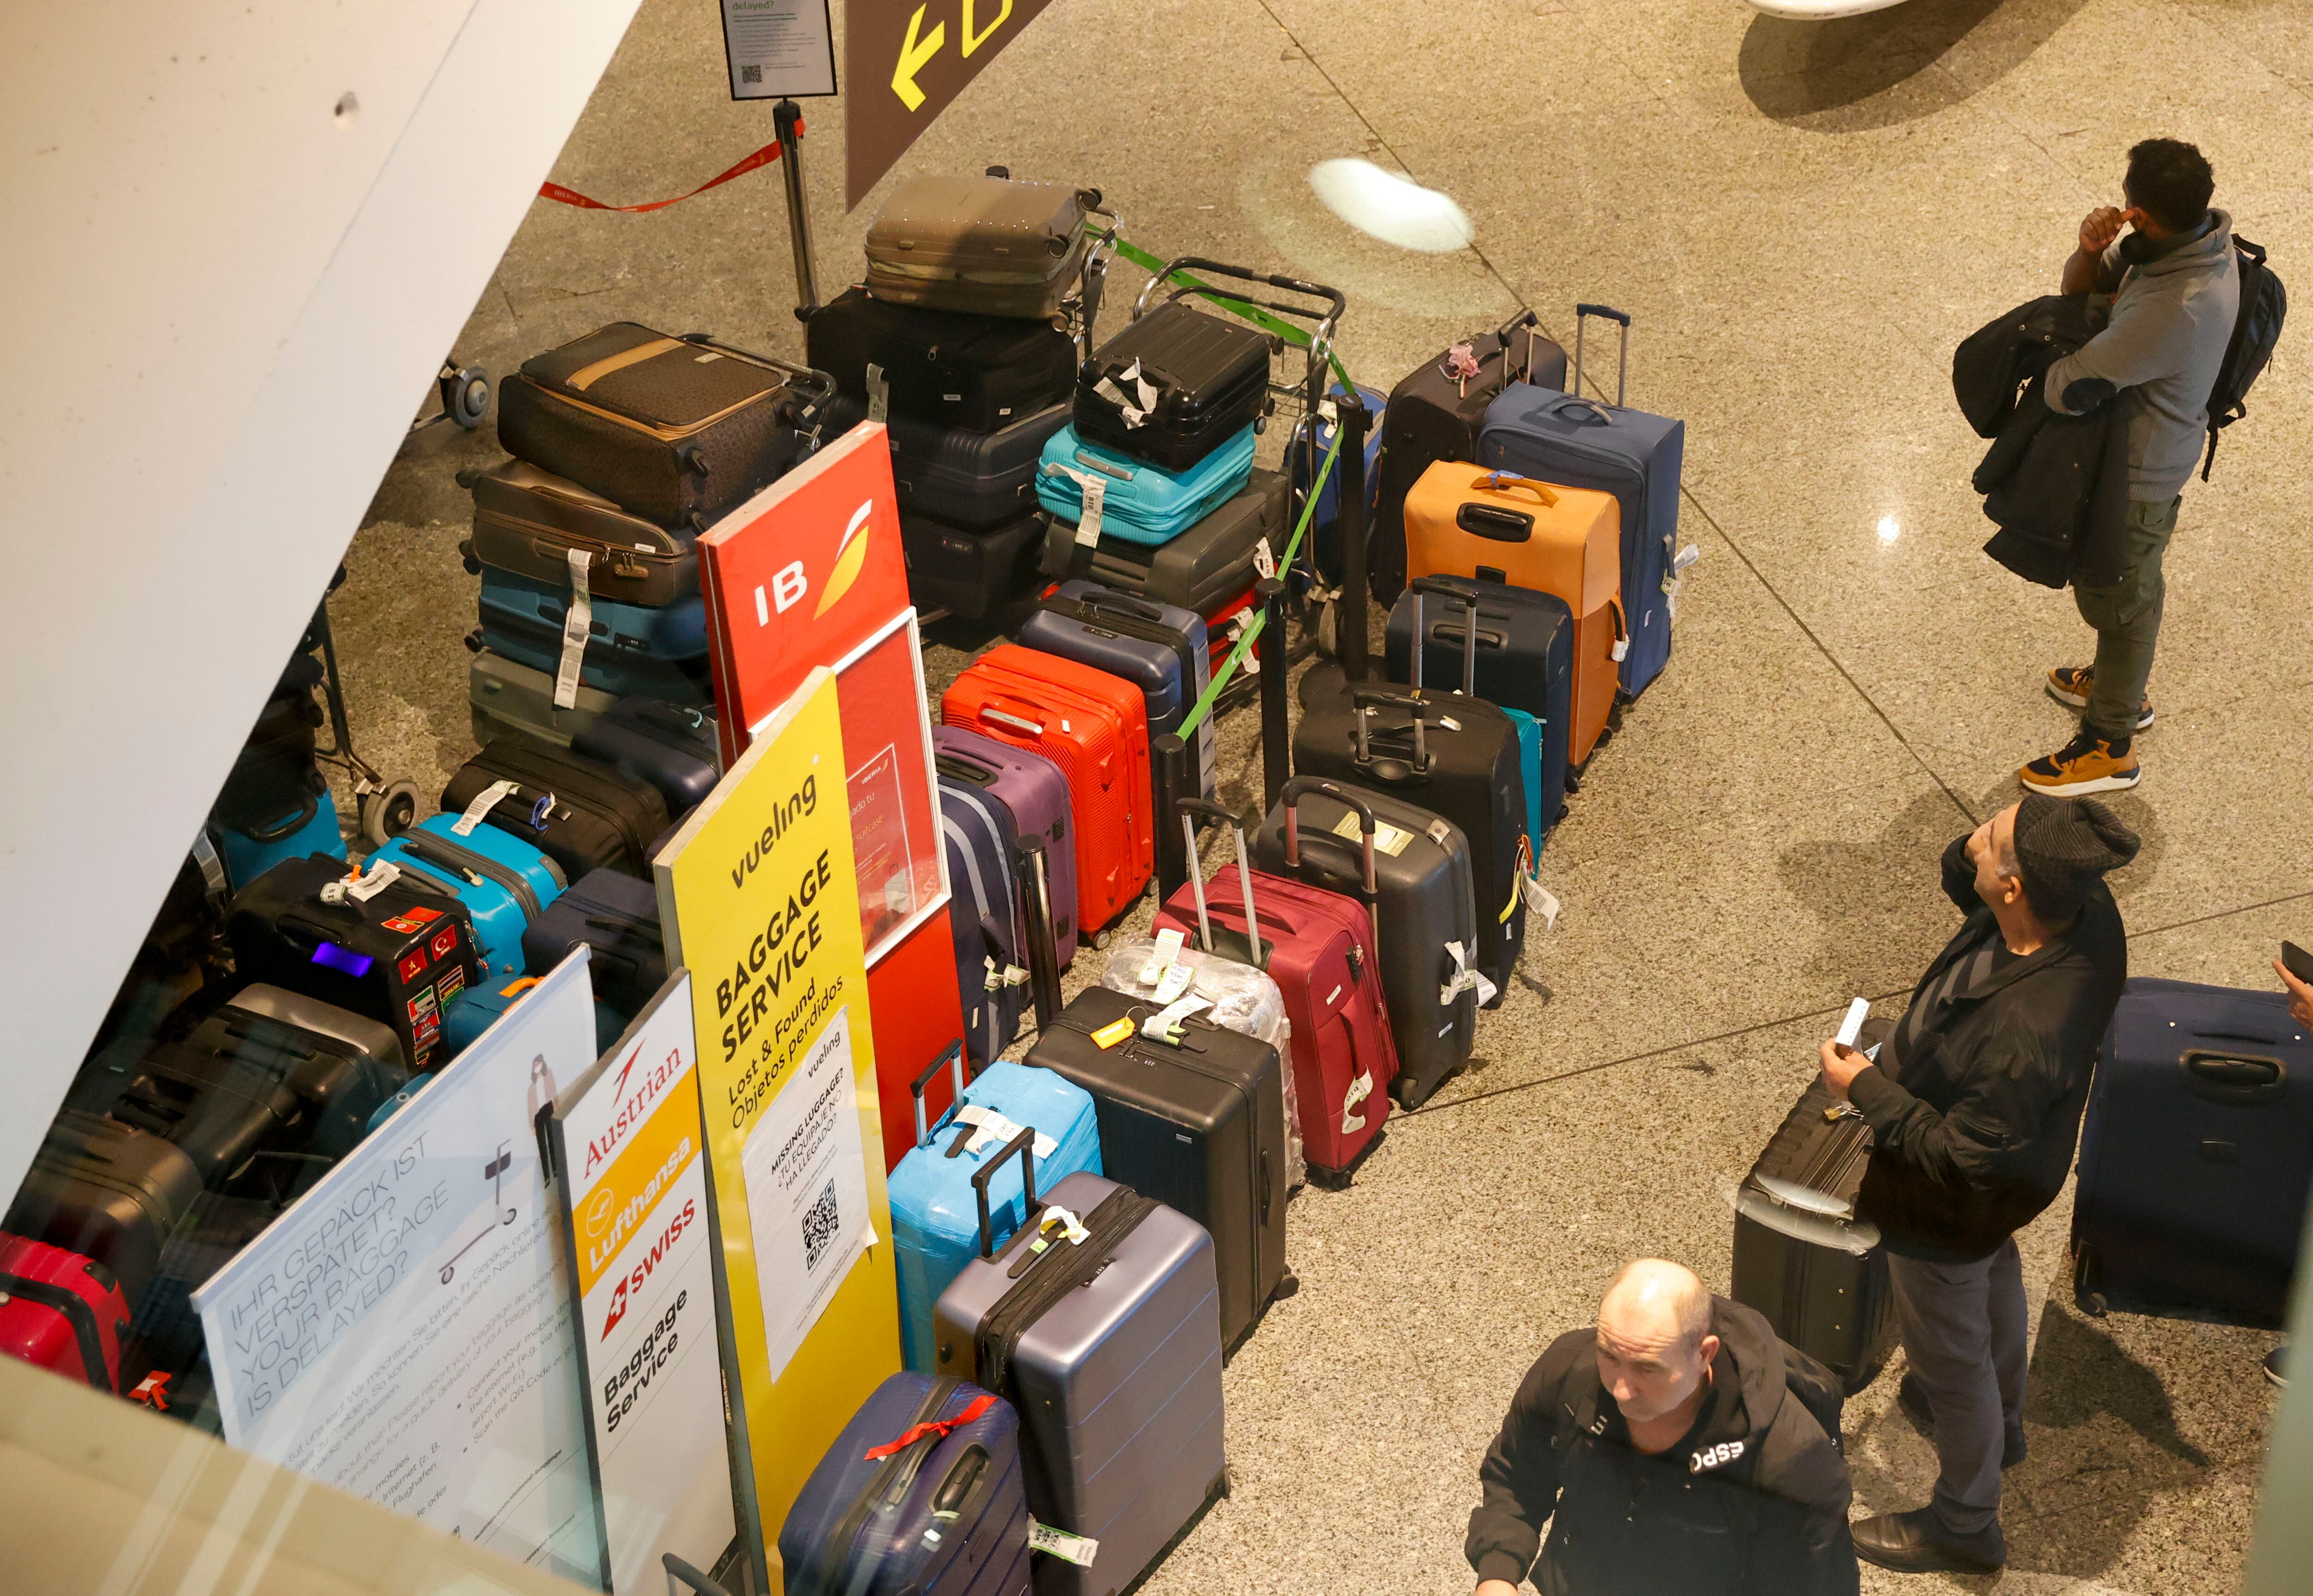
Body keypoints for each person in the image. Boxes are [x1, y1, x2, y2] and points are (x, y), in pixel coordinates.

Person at [1820, 795, 2139, 1573]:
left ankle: (1966, 1522)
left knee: (1949, 1359)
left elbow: (1961, 1158)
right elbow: (1974, 884)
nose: (1983, 830)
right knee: (1992, 1269)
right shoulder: (2084, 910)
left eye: (1994, 838)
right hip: (2001, 1195)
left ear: (2015, 889)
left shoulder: (2023, 1036)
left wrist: (1862, 1086)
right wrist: (1983, 851)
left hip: (1947, 1207)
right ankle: (2010, 1419)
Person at [2024, 138, 2239, 797]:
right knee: (2123, 591)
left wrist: (2059, 350)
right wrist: (2090, 257)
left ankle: (2110, 741)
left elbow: (2068, 385)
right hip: (2134, 453)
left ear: (2142, 213)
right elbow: (2083, 289)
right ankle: (2124, 680)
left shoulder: (2177, 307)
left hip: (2140, 475)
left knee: (2120, 599)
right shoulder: (2194, 238)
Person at [1465, 1258, 1857, 1596]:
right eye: (1609, 1355)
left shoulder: (1794, 1468)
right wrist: (1498, 1574)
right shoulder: (1569, 1371)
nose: (1621, 1388)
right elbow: (1515, 1476)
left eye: (1647, 1368)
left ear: (1704, 1354)